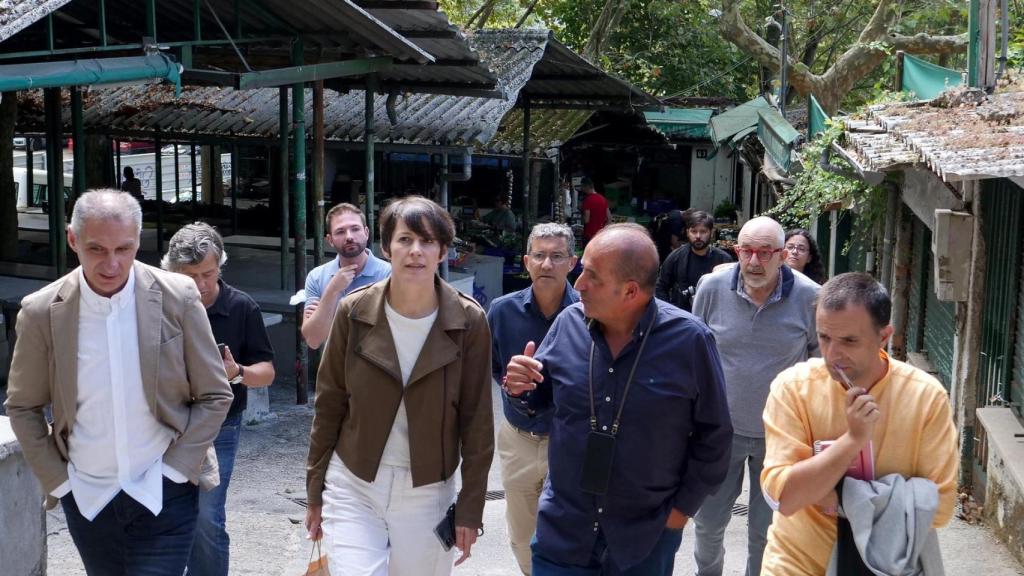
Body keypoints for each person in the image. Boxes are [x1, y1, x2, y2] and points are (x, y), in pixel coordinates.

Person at [4, 190, 232, 575]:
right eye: (96, 249)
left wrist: (176, 470)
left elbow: (214, 393)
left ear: (138, 240)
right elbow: (22, 407)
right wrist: (60, 483)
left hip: (166, 492)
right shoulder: (41, 311)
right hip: (88, 498)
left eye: (124, 249)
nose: (112, 263)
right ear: (73, 239)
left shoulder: (178, 297)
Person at [504, 223, 733, 575]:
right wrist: (521, 390)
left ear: (630, 292)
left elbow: (714, 437)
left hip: (644, 540)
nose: (577, 284)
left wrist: (679, 513)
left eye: (591, 276)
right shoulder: (569, 323)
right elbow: (539, 400)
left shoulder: (689, 341)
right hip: (564, 532)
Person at [305, 196, 494, 575]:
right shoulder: (353, 311)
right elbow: (329, 403)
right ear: (386, 247)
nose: (415, 251)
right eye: (405, 239)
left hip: (428, 489)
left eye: (427, 241)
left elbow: (477, 423)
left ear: (442, 251)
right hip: (353, 482)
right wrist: (315, 493)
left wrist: (471, 508)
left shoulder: (469, 320)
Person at [760, 272, 958, 575]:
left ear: (884, 336)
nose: (832, 354)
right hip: (795, 562)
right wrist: (852, 441)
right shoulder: (793, 388)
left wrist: (841, 497)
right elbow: (785, 497)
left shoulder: (925, 397)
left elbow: (941, 506)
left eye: (849, 341)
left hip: (886, 564)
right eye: (824, 337)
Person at [690, 216, 819, 576]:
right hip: (719, 433)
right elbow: (693, 354)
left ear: (782, 255)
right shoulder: (712, 288)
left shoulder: (810, 297)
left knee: (766, 530)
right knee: (708, 524)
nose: (754, 261)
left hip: (780, 438)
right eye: (747, 251)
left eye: (765, 253)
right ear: (736, 251)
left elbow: (819, 365)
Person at [161, 222, 276, 576]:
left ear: (220, 266)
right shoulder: (159, 302)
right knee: (160, 514)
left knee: (207, 518)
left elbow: (267, 371)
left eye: (207, 274)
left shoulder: (242, 307)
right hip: (165, 424)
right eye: (189, 275)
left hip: (219, 426)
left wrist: (237, 372)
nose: (199, 284)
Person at [487, 223, 580, 575]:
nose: (547, 264)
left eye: (557, 256)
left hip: (570, 437)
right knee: (522, 533)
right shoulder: (501, 310)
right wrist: (512, 384)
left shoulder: (589, 311)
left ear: (573, 263)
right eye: (539, 256)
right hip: (519, 436)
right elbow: (495, 367)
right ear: (526, 261)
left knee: (572, 530)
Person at [301, 202, 392, 349]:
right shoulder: (317, 277)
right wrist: (332, 291)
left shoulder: (389, 274)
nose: (349, 237)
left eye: (355, 229)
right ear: (330, 240)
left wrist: (326, 315)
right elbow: (313, 340)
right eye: (340, 232)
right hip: (334, 367)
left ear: (366, 233)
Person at [655, 210, 733, 311]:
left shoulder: (724, 260)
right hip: (683, 318)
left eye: (703, 231)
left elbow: (731, 291)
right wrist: (670, 313)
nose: (698, 236)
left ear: (712, 233)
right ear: (687, 232)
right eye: (694, 231)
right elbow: (660, 287)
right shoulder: (676, 257)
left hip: (713, 319)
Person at [579, 177, 610, 244]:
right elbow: (609, 218)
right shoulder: (603, 199)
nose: (581, 189)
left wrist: (581, 212)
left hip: (589, 235)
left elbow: (586, 220)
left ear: (586, 186)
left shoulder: (587, 200)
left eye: (582, 187)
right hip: (600, 235)